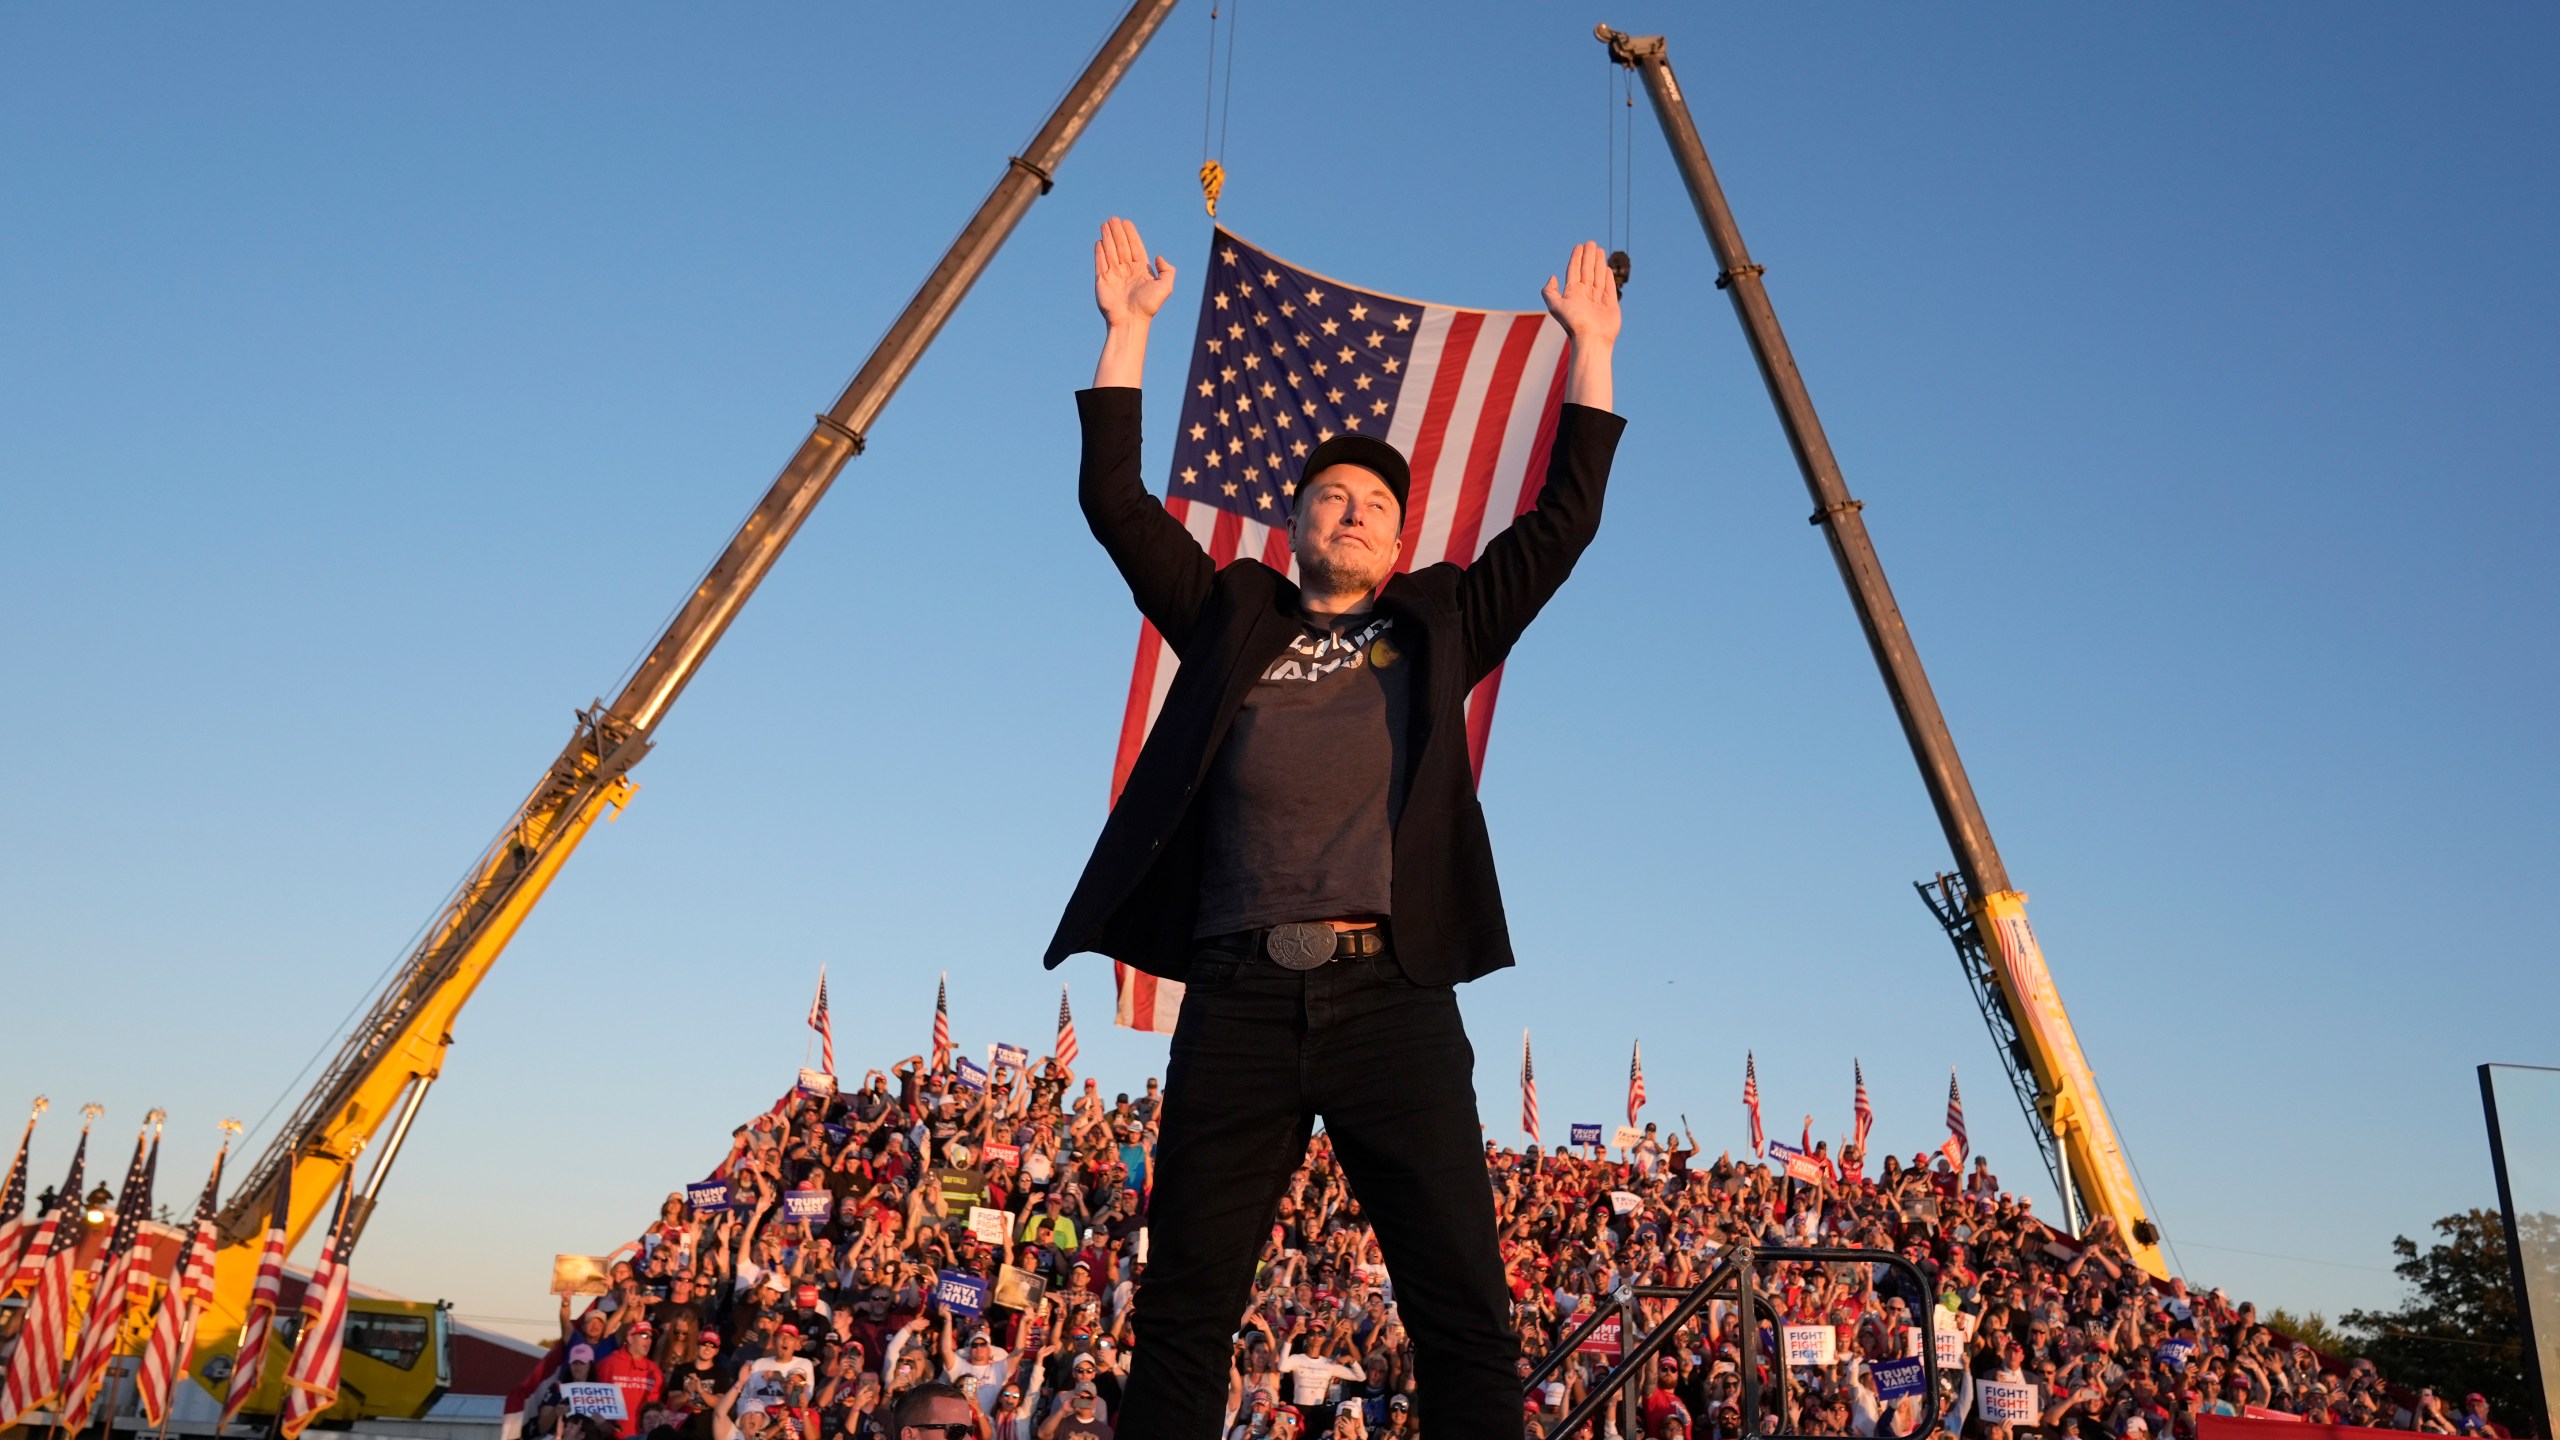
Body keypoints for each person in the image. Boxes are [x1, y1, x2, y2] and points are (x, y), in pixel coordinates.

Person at [1046, 216, 1624, 1438]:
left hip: (1391, 999)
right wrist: (1128, 333)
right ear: (1294, 526)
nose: (1351, 513)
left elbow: (1564, 522)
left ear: (1399, 542)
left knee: (1461, 1309)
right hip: (1237, 998)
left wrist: (1593, 350)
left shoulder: (1441, 624)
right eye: (1329, 498)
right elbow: (1113, 503)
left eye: (1373, 504)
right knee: (1184, 1311)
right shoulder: (1231, 612)